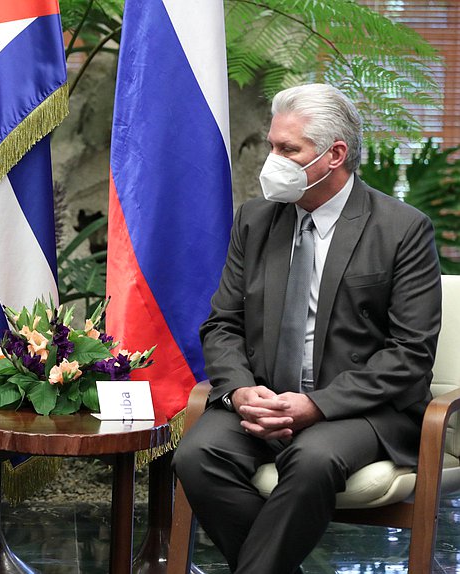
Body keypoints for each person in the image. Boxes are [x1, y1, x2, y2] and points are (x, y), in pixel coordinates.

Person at [173, 83, 441, 574]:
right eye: (273, 144)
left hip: (360, 411)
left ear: (334, 154)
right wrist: (239, 392)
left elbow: (410, 353)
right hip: (264, 401)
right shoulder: (255, 220)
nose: (271, 159)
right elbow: (222, 324)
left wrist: (317, 406)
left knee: (313, 459)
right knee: (196, 454)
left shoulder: (402, 229)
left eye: (287, 149)